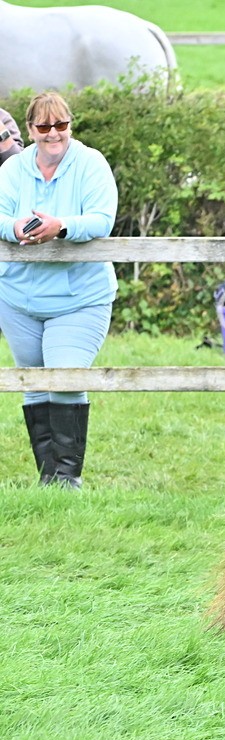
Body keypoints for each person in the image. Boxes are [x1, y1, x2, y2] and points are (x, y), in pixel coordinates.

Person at [0, 92, 118, 489]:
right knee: (34, 383)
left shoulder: (91, 163)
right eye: (44, 126)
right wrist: (14, 228)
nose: (54, 134)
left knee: (65, 376)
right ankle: (48, 484)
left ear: (70, 125)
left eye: (61, 125)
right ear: (29, 129)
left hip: (79, 296)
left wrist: (62, 226)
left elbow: (102, 219)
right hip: (17, 295)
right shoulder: (14, 168)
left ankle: (67, 481)